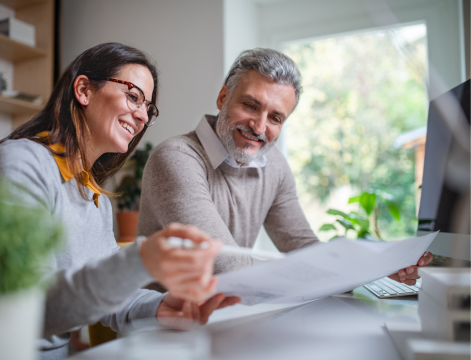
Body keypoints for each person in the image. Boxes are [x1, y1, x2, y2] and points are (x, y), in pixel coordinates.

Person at [0, 43, 239, 360]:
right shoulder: (19, 165)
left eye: (148, 109)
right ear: (83, 90)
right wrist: (139, 260)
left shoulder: (93, 196)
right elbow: (24, 308)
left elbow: (114, 299)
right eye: (133, 96)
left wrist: (162, 307)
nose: (141, 116)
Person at [137, 48, 432, 284]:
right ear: (223, 97)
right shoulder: (176, 158)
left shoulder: (273, 165)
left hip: (228, 318)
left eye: (276, 118)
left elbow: (301, 246)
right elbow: (226, 267)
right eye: (251, 105)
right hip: (163, 326)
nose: (259, 126)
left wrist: (376, 265)